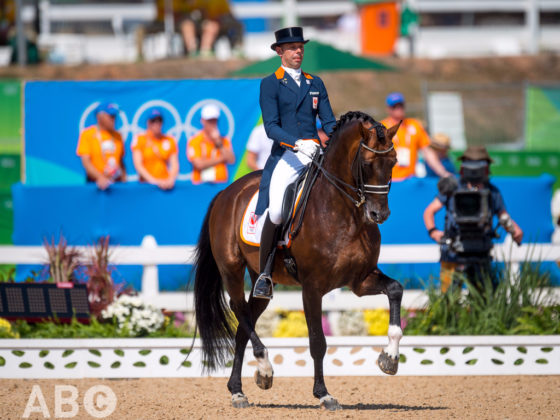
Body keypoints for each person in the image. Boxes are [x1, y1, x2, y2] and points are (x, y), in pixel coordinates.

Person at [253, 26, 337, 299]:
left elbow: (329, 122)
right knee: (276, 212)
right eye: (291, 48)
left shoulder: (315, 83)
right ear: (279, 52)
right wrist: (297, 143)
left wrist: (343, 138)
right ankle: (265, 273)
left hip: (316, 152)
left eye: (300, 47)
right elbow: (271, 127)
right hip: (288, 154)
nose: (298, 51)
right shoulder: (271, 83)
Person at [423, 146, 523, 292]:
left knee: (483, 297)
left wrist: (514, 230)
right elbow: (429, 211)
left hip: (480, 251)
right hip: (453, 251)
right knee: (448, 298)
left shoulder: (491, 191)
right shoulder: (453, 187)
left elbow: (503, 216)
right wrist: (433, 232)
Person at [381, 92, 451, 181]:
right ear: (388, 109)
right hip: (390, 181)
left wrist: (443, 173)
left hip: (410, 179)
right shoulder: (382, 128)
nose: (398, 109)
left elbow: (428, 152)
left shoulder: (415, 125)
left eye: (401, 105)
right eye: (394, 106)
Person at [76, 102, 126, 190]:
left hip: (116, 185)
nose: (114, 119)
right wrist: (100, 178)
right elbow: (86, 162)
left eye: (114, 116)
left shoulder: (118, 136)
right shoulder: (87, 134)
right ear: (99, 116)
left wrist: (124, 182)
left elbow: (121, 162)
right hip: (95, 185)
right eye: (110, 116)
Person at [187, 103, 235, 184]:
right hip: (201, 185)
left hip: (221, 185)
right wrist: (222, 159)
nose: (212, 123)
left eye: (214, 120)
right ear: (202, 121)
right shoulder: (195, 140)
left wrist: (218, 142)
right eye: (209, 120)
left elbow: (231, 160)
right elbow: (199, 164)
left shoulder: (224, 140)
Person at [131, 108, 179, 190]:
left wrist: (170, 180)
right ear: (148, 123)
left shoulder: (169, 140)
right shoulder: (140, 139)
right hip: (146, 185)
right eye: (153, 121)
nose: (157, 124)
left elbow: (175, 165)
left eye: (159, 120)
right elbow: (138, 165)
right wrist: (154, 181)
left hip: (165, 183)